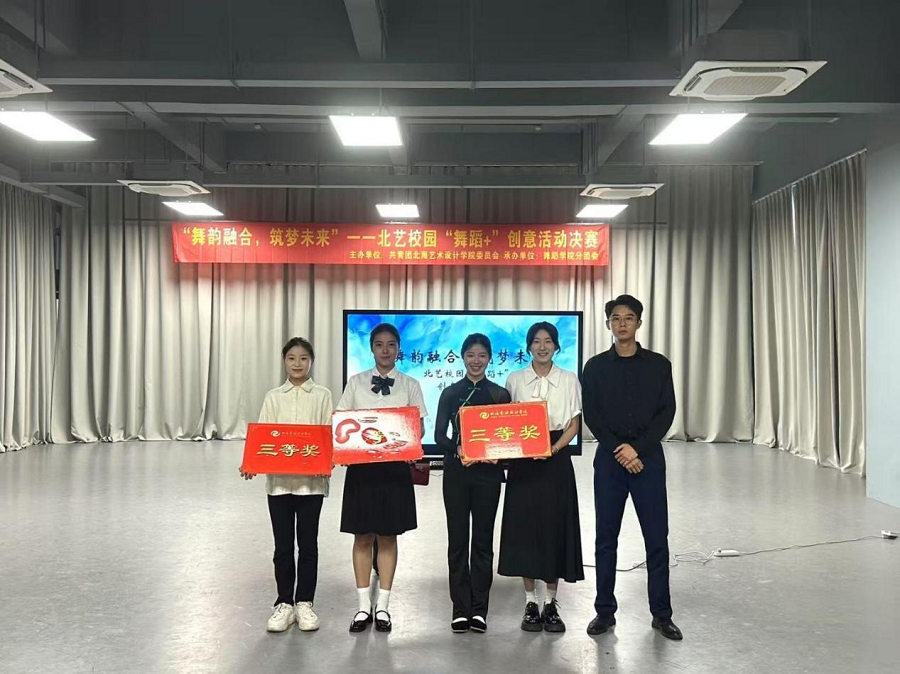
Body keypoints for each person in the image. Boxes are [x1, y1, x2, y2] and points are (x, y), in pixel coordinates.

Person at [581, 295, 682, 641]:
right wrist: (620, 450)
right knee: (605, 538)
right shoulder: (595, 367)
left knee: (656, 538)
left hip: (647, 459)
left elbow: (666, 412)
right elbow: (592, 415)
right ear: (607, 323)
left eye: (628, 318)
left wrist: (637, 449)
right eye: (615, 318)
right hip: (610, 461)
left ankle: (662, 614)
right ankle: (604, 611)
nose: (621, 324)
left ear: (639, 322)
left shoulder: (658, 365)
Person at [336, 323, 427, 634]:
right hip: (362, 470)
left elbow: (418, 428)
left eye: (391, 345)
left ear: (399, 348)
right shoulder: (356, 383)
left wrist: (405, 440)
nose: (385, 350)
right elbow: (342, 422)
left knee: (388, 537)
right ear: (371, 348)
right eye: (379, 344)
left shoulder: (411, 384)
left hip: (394, 471)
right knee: (362, 537)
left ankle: (384, 606)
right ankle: (363, 606)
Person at [240, 337, 334, 633]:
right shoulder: (273, 397)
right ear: (284, 361)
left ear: (311, 362)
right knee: (282, 547)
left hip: (311, 486)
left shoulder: (322, 395)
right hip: (279, 485)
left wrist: (327, 461)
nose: (297, 364)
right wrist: (252, 463)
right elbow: (263, 437)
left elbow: (328, 435)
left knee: (308, 545)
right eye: (291, 358)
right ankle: (284, 603)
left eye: (303, 358)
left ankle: (304, 602)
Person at [498, 322, 584, 633]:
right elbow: (506, 420)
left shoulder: (569, 379)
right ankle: (530, 602)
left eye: (548, 341)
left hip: (556, 459)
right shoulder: (515, 379)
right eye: (536, 341)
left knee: (554, 526)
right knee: (525, 528)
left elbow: (574, 424)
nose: (543, 347)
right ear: (528, 346)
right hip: (523, 461)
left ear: (557, 346)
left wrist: (554, 448)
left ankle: (550, 602)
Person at [434, 333, 511, 635]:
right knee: (457, 541)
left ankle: (479, 610)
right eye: (470, 355)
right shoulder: (450, 393)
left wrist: (498, 454)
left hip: (488, 476)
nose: (476, 361)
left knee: (482, 541)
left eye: (481, 355)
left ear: (489, 358)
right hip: (457, 473)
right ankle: (459, 609)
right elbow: (439, 435)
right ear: (462, 357)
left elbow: (507, 436)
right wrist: (458, 449)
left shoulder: (499, 394)